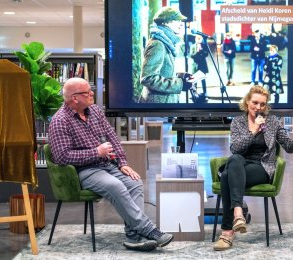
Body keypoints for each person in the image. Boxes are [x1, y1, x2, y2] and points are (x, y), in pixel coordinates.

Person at [49, 77, 174, 252]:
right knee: (116, 186)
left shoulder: (94, 111)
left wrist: (122, 163)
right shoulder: (60, 121)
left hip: (107, 165)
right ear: (75, 98)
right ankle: (149, 230)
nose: (92, 93)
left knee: (134, 182)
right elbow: (62, 157)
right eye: (87, 92)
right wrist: (96, 152)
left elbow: (112, 138)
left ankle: (134, 237)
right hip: (84, 170)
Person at [213, 86, 293, 251]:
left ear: (266, 106)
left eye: (262, 104)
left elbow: (289, 146)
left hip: (262, 168)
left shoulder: (273, 122)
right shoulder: (238, 122)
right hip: (240, 164)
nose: (258, 107)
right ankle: (238, 213)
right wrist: (254, 130)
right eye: (255, 103)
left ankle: (228, 231)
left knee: (227, 175)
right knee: (234, 161)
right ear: (247, 102)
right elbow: (235, 148)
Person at [139, 7, 192, 103]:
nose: (181, 23)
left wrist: (179, 76)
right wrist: (179, 85)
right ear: (165, 22)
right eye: (177, 20)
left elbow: (162, 72)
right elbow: (147, 78)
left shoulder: (165, 43)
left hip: (163, 106)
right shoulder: (158, 44)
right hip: (157, 108)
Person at [190, 35, 209, 99]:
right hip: (195, 65)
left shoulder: (204, 45)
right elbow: (191, 55)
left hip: (202, 65)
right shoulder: (192, 46)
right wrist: (197, 52)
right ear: (195, 40)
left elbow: (206, 54)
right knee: (194, 80)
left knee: (203, 79)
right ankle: (194, 93)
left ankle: (205, 92)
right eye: (197, 39)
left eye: (199, 39)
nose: (198, 41)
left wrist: (202, 50)